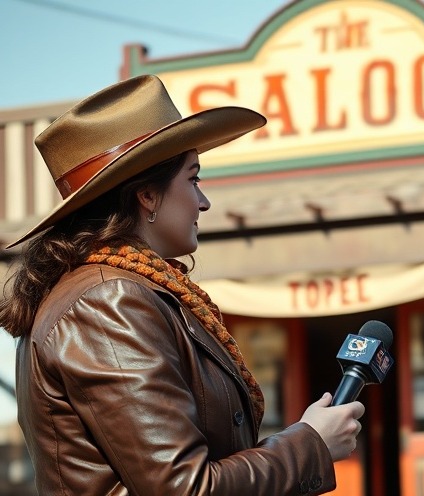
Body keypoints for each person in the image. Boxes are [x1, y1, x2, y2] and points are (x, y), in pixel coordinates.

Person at [0, 75, 365, 495]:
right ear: (147, 196)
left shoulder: (115, 290)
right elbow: (184, 488)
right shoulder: (108, 300)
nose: (203, 201)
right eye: (193, 179)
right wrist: (310, 444)